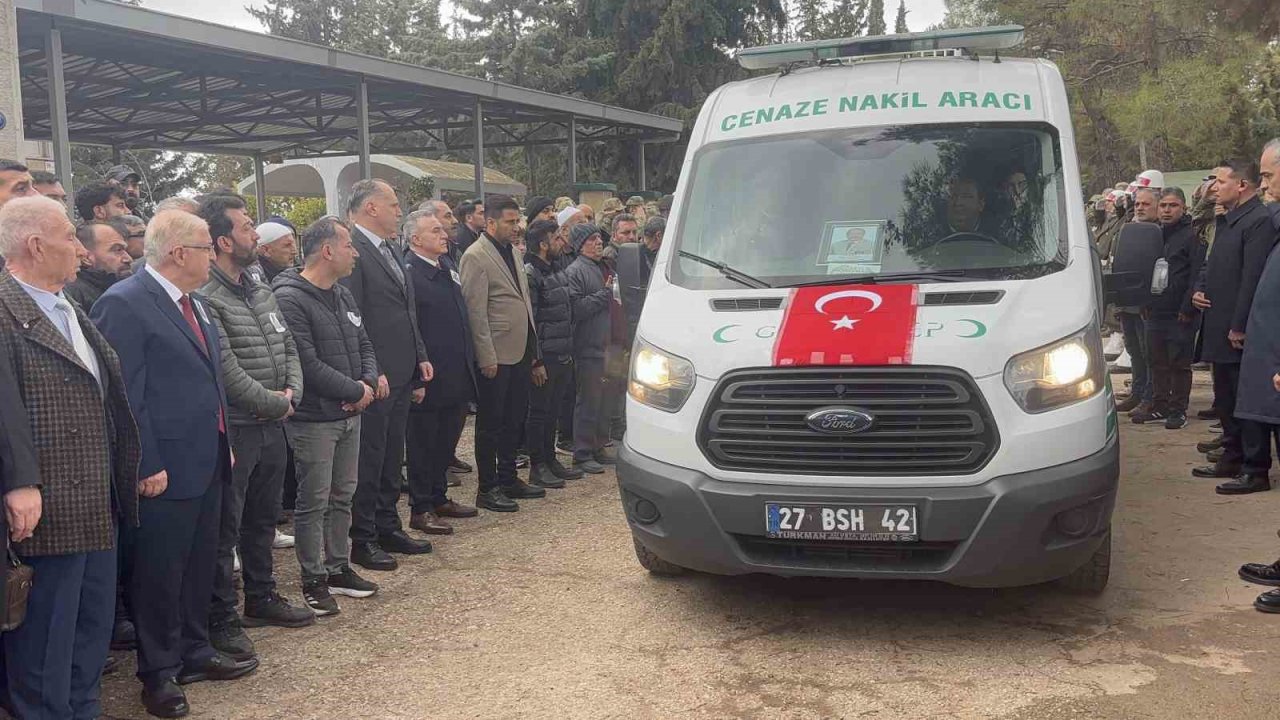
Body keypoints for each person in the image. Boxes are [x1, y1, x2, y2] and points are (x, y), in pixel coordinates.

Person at [92, 210, 258, 720]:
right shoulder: (123, 303)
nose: (213, 254)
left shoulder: (195, 303)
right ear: (179, 253)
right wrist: (145, 461)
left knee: (198, 565)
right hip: (162, 467)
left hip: (206, 457)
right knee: (158, 574)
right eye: (207, 246)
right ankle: (158, 672)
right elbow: (124, 395)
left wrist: (223, 437)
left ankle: (194, 649)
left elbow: (210, 379)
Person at [0, 196, 140, 720]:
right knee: (44, 643)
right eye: (69, 238)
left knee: (89, 631)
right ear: (36, 246)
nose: (81, 250)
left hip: (96, 502)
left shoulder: (67, 306)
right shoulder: (5, 309)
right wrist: (19, 482)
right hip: (46, 507)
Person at [198, 194, 314, 663]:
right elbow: (226, 369)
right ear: (224, 241)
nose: (255, 233)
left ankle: (262, 596)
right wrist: (275, 402)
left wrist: (292, 392)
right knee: (226, 527)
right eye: (247, 227)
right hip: (240, 427)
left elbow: (287, 345)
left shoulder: (258, 287)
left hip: (274, 423)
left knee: (263, 519)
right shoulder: (205, 294)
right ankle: (221, 617)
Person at [273, 217, 381, 616]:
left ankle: (338, 568)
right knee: (313, 500)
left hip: (351, 412)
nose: (355, 253)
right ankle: (313, 579)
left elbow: (364, 343)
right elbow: (307, 363)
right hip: (315, 419)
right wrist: (356, 391)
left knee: (342, 495)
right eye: (349, 246)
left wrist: (366, 384)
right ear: (327, 250)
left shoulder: (342, 294)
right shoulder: (289, 298)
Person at [340, 180, 434, 571]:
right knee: (371, 457)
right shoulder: (352, 249)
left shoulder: (391, 248)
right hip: (375, 375)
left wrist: (419, 357)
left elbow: (407, 310)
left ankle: (388, 525)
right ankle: (362, 538)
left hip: (401, 370)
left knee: (393, 455)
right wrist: (370, 370)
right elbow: (353, 316)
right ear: (371, 208)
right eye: (393, 204)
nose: (399, 211)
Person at [1191, 159, 1280, 490]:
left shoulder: (1258, 221)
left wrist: (1239, 324)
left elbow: (1252, 277)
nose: (1214, 187)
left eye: (1220, 181)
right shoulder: (1228, 220)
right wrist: (1199, 288)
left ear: (1241, 185)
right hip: (1220, 322)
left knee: (1247, 400)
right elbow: (1213, 262)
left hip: (1240, 328)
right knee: (1226, 396)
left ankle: (1251, 464)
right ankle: (1232, 455)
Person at [460, 195, 545, 512]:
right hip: (496, 354)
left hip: (520, 350)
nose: (516, 226)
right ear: (491, 222)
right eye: (510, 221)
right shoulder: (475, 256)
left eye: (517, 220)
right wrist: (486, 357)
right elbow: (475, 312)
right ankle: (487, 487)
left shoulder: (512, 251)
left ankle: (509, 478)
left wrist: (533, 352)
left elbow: (524, 303)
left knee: (514, 419)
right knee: (491, 424)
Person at [401, 210, 481, 533]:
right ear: (415, 239)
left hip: (455, 370)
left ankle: (438, 496)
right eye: (434, 231)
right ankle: (420, 507)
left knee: (445, 441)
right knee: (423, 443)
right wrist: (415, 375)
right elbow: (410, 327)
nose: (444, 235)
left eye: (442, 230)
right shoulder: (410, 272)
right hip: (429, 373)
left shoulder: (446, 265)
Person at [1134, 188, 1202, 429]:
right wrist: (1144, 302)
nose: (1166, 210)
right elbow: (1144, 269)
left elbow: (1196, 273)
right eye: (1163, 205)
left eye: (1172, 206)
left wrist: (1187, 307)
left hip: (1180, 312)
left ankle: (1178, 410)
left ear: (1183, 207)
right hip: (1155, 310)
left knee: (1179, 364)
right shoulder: (1154, 235)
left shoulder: (1192, 235)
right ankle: (1159, 404)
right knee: (1156, 361)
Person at [523, 219, 584, 489]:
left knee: (554, 410)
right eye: (557, 237)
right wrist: (535, 360)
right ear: (543, 244)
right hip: (545, 355)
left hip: (562, 352)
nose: (563, 241)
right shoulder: (531, 273)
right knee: (539, 411)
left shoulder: (556, 268)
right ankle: (537, 465)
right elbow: (531, 320)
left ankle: (550, 459)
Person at [564, 223, 621, 475]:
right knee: (588, 400)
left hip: (611, 346)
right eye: (592, 239)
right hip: (589, 347)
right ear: (580, 245)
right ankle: (582, 453)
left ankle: (599, 445)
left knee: (606, 400)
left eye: (599, 238)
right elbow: (577, 309)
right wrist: (604, 294)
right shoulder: (575, 271)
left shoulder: (604, 267)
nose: (599, 242)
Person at [1116, 187, 1162, 416]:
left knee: (1149, 352)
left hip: (1148, 303)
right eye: (1137, 204)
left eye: (1146, 204)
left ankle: (1150, 396)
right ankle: (1137, 391)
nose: (1140, 208)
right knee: (1134, 350)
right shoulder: (1129, 230)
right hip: (1128, 301)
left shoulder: (1161, 232)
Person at [64, 219, 133, 309]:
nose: (128, 259)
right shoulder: (74, 295)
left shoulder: (128, 288)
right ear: (86, 258)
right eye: (118, 250)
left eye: (125, 250)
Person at [617, 216, 665, 345]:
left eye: (634, 232)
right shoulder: (635, 256)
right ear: (659, 236)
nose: (632, 236)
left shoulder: (664, 255)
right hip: (640, 317)